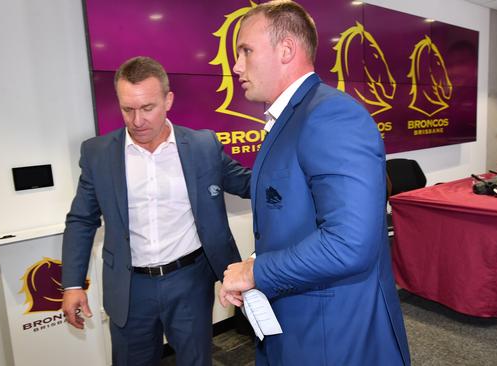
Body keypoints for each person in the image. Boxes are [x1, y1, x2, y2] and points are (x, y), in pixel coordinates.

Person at [218, 1, 410, 365]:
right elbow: (297, 219)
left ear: (286, 49)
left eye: (246, 51)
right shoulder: (294, 117)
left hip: (334, 334)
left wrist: (255, 271)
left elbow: (350, 243)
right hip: (299, 320)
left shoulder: (331, 116)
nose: (236, 65)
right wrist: (257, 268)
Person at [61, 56, 251, 366]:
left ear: (168, 100)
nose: (137, 121)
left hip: (189, 280)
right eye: (127, 109)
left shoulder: (203, 146)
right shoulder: (97, 154)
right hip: (129, 286)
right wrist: (72, 284)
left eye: (147, 108)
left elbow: (248, 184)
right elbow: (82, 220)